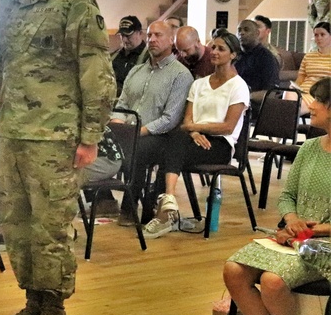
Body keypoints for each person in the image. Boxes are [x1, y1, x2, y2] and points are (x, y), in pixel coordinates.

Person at [0, 0, 115, 315]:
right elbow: (2, 65)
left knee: (51, 225)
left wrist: (89, 136)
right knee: (17, 221)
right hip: (13, 132)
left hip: (56, 134)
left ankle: (55, 309)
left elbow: (96, 74)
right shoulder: (7, 3)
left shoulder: (74, 2)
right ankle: (32, 300)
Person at [223, 77, 331, 315]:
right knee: (233, 270)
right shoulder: (309, 148)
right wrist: (292, 219)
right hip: (295, 236)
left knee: (272, 281)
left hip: (323, 244)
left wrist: (311, 229)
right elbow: (286, 197)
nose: (310, 106)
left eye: (317, 100)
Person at [142, 30, 250, 239]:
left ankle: (165, 209)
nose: (214, 52)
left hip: (219, 146)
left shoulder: (239, 86)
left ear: (233, 55)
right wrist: (193, 132)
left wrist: (196, 128)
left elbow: (228, 126)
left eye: (221, 49)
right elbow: (186, 123)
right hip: (192, 139)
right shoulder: (199, 83)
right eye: (214, 47)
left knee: (171, 148)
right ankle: (167, 207)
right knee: (169, 144)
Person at [114, 20, 194, 224]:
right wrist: (117, 124)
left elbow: (170, 119)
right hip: (128, 130)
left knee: (137, 149)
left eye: (158, 35)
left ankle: (129, 208)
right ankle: (103, 198)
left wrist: (138, 132)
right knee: (97, 143)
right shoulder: (136, 71)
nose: (152, 40)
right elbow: (122, 103)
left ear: (171, 40)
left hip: (160, 137)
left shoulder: (181, 75)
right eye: (149, 35)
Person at [235, 19, 280, 111]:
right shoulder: (234, 55)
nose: (241, 33)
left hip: (253, 106)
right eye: (239, 30)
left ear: (257, 33)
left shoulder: (267, 58)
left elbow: (270, 93)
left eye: (246, 30)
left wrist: (245, 96)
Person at [295, 21, 331, 114]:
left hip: (322, 94)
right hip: (303, 91)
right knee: (288, 96)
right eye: (316, 35)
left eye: (322, 34)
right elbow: (301, 77)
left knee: (293, 107)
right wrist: (295, 87)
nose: (319, 38)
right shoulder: (309, 56)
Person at [111, 15, 145, 95]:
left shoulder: (149, 58)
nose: (124, 40)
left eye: (128, 35)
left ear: (140, 33)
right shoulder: (113, 57)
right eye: (122, 35)